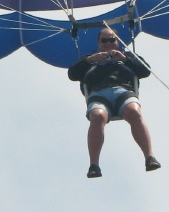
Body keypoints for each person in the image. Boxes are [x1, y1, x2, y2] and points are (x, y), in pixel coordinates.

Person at [67, 27, 161, 178]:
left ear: (117, 41)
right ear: (98, 42)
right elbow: (72, 74)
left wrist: (124, 59)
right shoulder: (90, 59)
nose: (108, 43)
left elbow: (146, 71)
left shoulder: (127, 57)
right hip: (98, 94)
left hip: (123, 91)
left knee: (134, 112)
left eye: (112, 40)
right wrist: (90, 60)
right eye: (104, 40)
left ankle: (150, 157)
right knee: (97, 117)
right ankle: (94, 165)